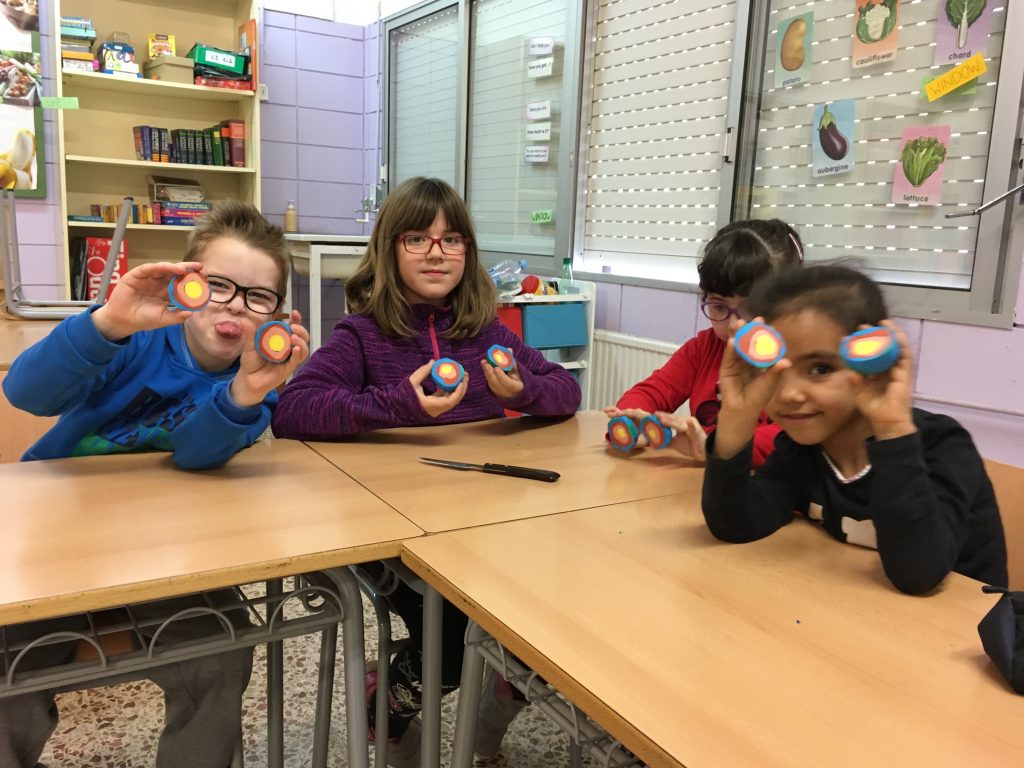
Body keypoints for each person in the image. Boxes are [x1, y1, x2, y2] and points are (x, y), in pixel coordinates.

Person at [271, 176, 581, 767]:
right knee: (451, 643)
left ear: (467, 251)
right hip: (390, 532)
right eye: (417, 238)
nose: (437, 253)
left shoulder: (486, 333)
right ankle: (385, 712)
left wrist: (524, 391)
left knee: (549, 618)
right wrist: (397, 405)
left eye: (451, 239)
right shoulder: (362, 335)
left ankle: (494, 706)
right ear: (390, 248)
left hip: (480, 524)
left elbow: (566, 390)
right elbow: (293, 410)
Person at [0, 201, 310, 768]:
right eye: (218, 285)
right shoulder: (136, 338)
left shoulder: (255, 386)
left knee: (222, 652)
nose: (234, 306)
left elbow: (195, 454)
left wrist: (245, 393)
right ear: (187, 284)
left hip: (169, 557)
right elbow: (25, 393)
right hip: (54, 546)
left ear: (276, 313)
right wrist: (108, 323)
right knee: (9, 673)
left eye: (257, 296)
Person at [702, 264, 1007, 594]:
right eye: (771, 369)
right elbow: (735, 523)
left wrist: (892, 430)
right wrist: (737, 417)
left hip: (968, 617)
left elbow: (919, 574)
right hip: (861, 610)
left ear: (873, 362)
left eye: (820, 369)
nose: (789, 394)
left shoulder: (943, 445)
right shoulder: (800, 451)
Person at [604, 219, 803, 467]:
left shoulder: (799, 359)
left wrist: (713, 445)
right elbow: (651, 392)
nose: (734, 325)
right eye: (718, 306)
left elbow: (793, 438)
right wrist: (635, 422)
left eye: (751, 308)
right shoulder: (704, 349)